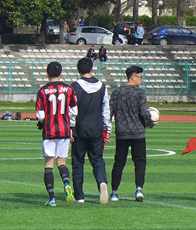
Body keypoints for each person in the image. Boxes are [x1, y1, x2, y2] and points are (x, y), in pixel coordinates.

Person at [109, 65, 155, 202]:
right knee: (140, 162)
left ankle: (114, 192)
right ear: (133, 77)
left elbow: (109, 112)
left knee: (119, 162)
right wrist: (151, 123)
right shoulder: (140, 93)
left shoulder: (117, 92)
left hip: (121, 132)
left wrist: (106, 129)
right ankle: (139, 190)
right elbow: (144, 112)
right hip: (138, 133)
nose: (141, 80)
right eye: (140, 77)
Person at [36, 61, 78, 206]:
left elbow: (40, 115)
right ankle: (66, 184)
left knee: (49, 164)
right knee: (62, 162)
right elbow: (74, 111)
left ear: (47, 73)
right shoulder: (69, 89)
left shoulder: (42, 91)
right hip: (64, 130)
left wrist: (45, 120)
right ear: (61, 74)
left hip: (49, 131)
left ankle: (52, 198)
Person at [70, 57, 110, 204]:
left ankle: (79, 196)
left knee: (78, 162)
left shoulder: (74, 87)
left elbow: (71, 110)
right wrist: (107, 128)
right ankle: (102, 182)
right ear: (92, 69)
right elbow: (106, 110)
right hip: (96, 128)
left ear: (78, 70)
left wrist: (70, 128)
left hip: (79, 129)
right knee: (98, 160)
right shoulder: (102, 87)